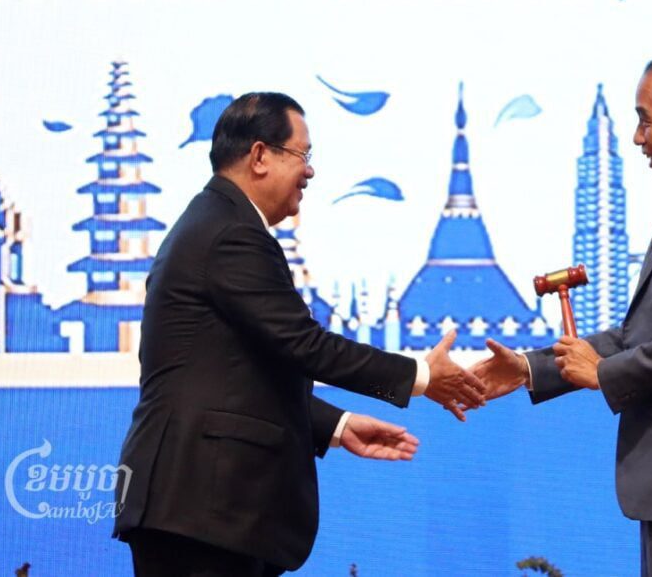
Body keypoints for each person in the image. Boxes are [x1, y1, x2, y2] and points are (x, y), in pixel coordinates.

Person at [112, 92, 486, 576]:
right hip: (202, 509)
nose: (309, 172)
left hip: (202, 509)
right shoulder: (231, 234)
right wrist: (420, 375)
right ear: (260, 156)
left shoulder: (214, 223)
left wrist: (335, 425)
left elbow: (236, 372)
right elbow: (303, 344)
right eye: (302, 156)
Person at [473, 51, 652, 576]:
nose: (637, 138)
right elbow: (641, 333)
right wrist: (532, 367)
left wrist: (604, 373)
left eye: (645, 120)